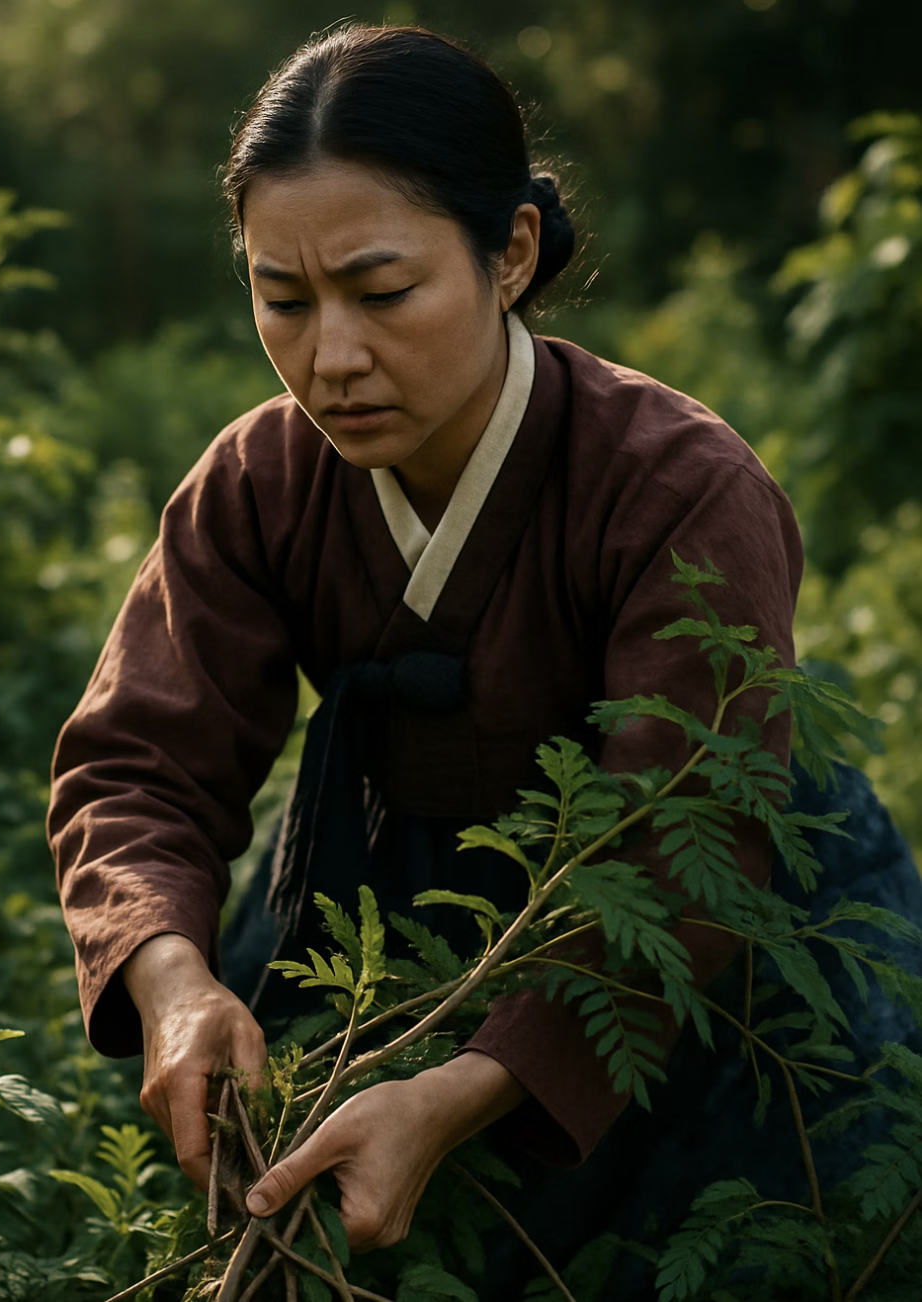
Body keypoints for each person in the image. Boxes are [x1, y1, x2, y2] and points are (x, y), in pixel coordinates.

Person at [48, 24, 833, 1296]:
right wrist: (175, 977)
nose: (332, 359)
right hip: (380, 898)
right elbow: (139, 759)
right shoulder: (257, 484)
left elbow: (686, 828)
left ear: (510, 253)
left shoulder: (676, 489)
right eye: (283, 301)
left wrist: (463, 1090)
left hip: (683, 927)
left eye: (383, 291)